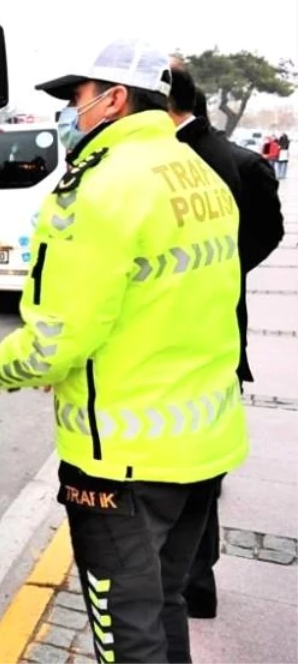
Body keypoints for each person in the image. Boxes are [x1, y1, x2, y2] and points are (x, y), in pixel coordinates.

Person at [0, 40, 247, 663]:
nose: (72, 114)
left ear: (114, 99)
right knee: (164, 602)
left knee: (124, 629)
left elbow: (55, 338)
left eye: (76, 99)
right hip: (203, 441)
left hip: (121, 456)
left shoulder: (98, 190)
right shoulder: (199, 174)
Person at [174, 85, 286, 619]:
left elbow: (266, 232)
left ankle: (191, 579)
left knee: (192, 467)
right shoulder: (234, 159)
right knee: (201, 464)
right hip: (217, 328)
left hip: (194, 333)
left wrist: (221, 272)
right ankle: (195, 579)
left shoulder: (207, 163)